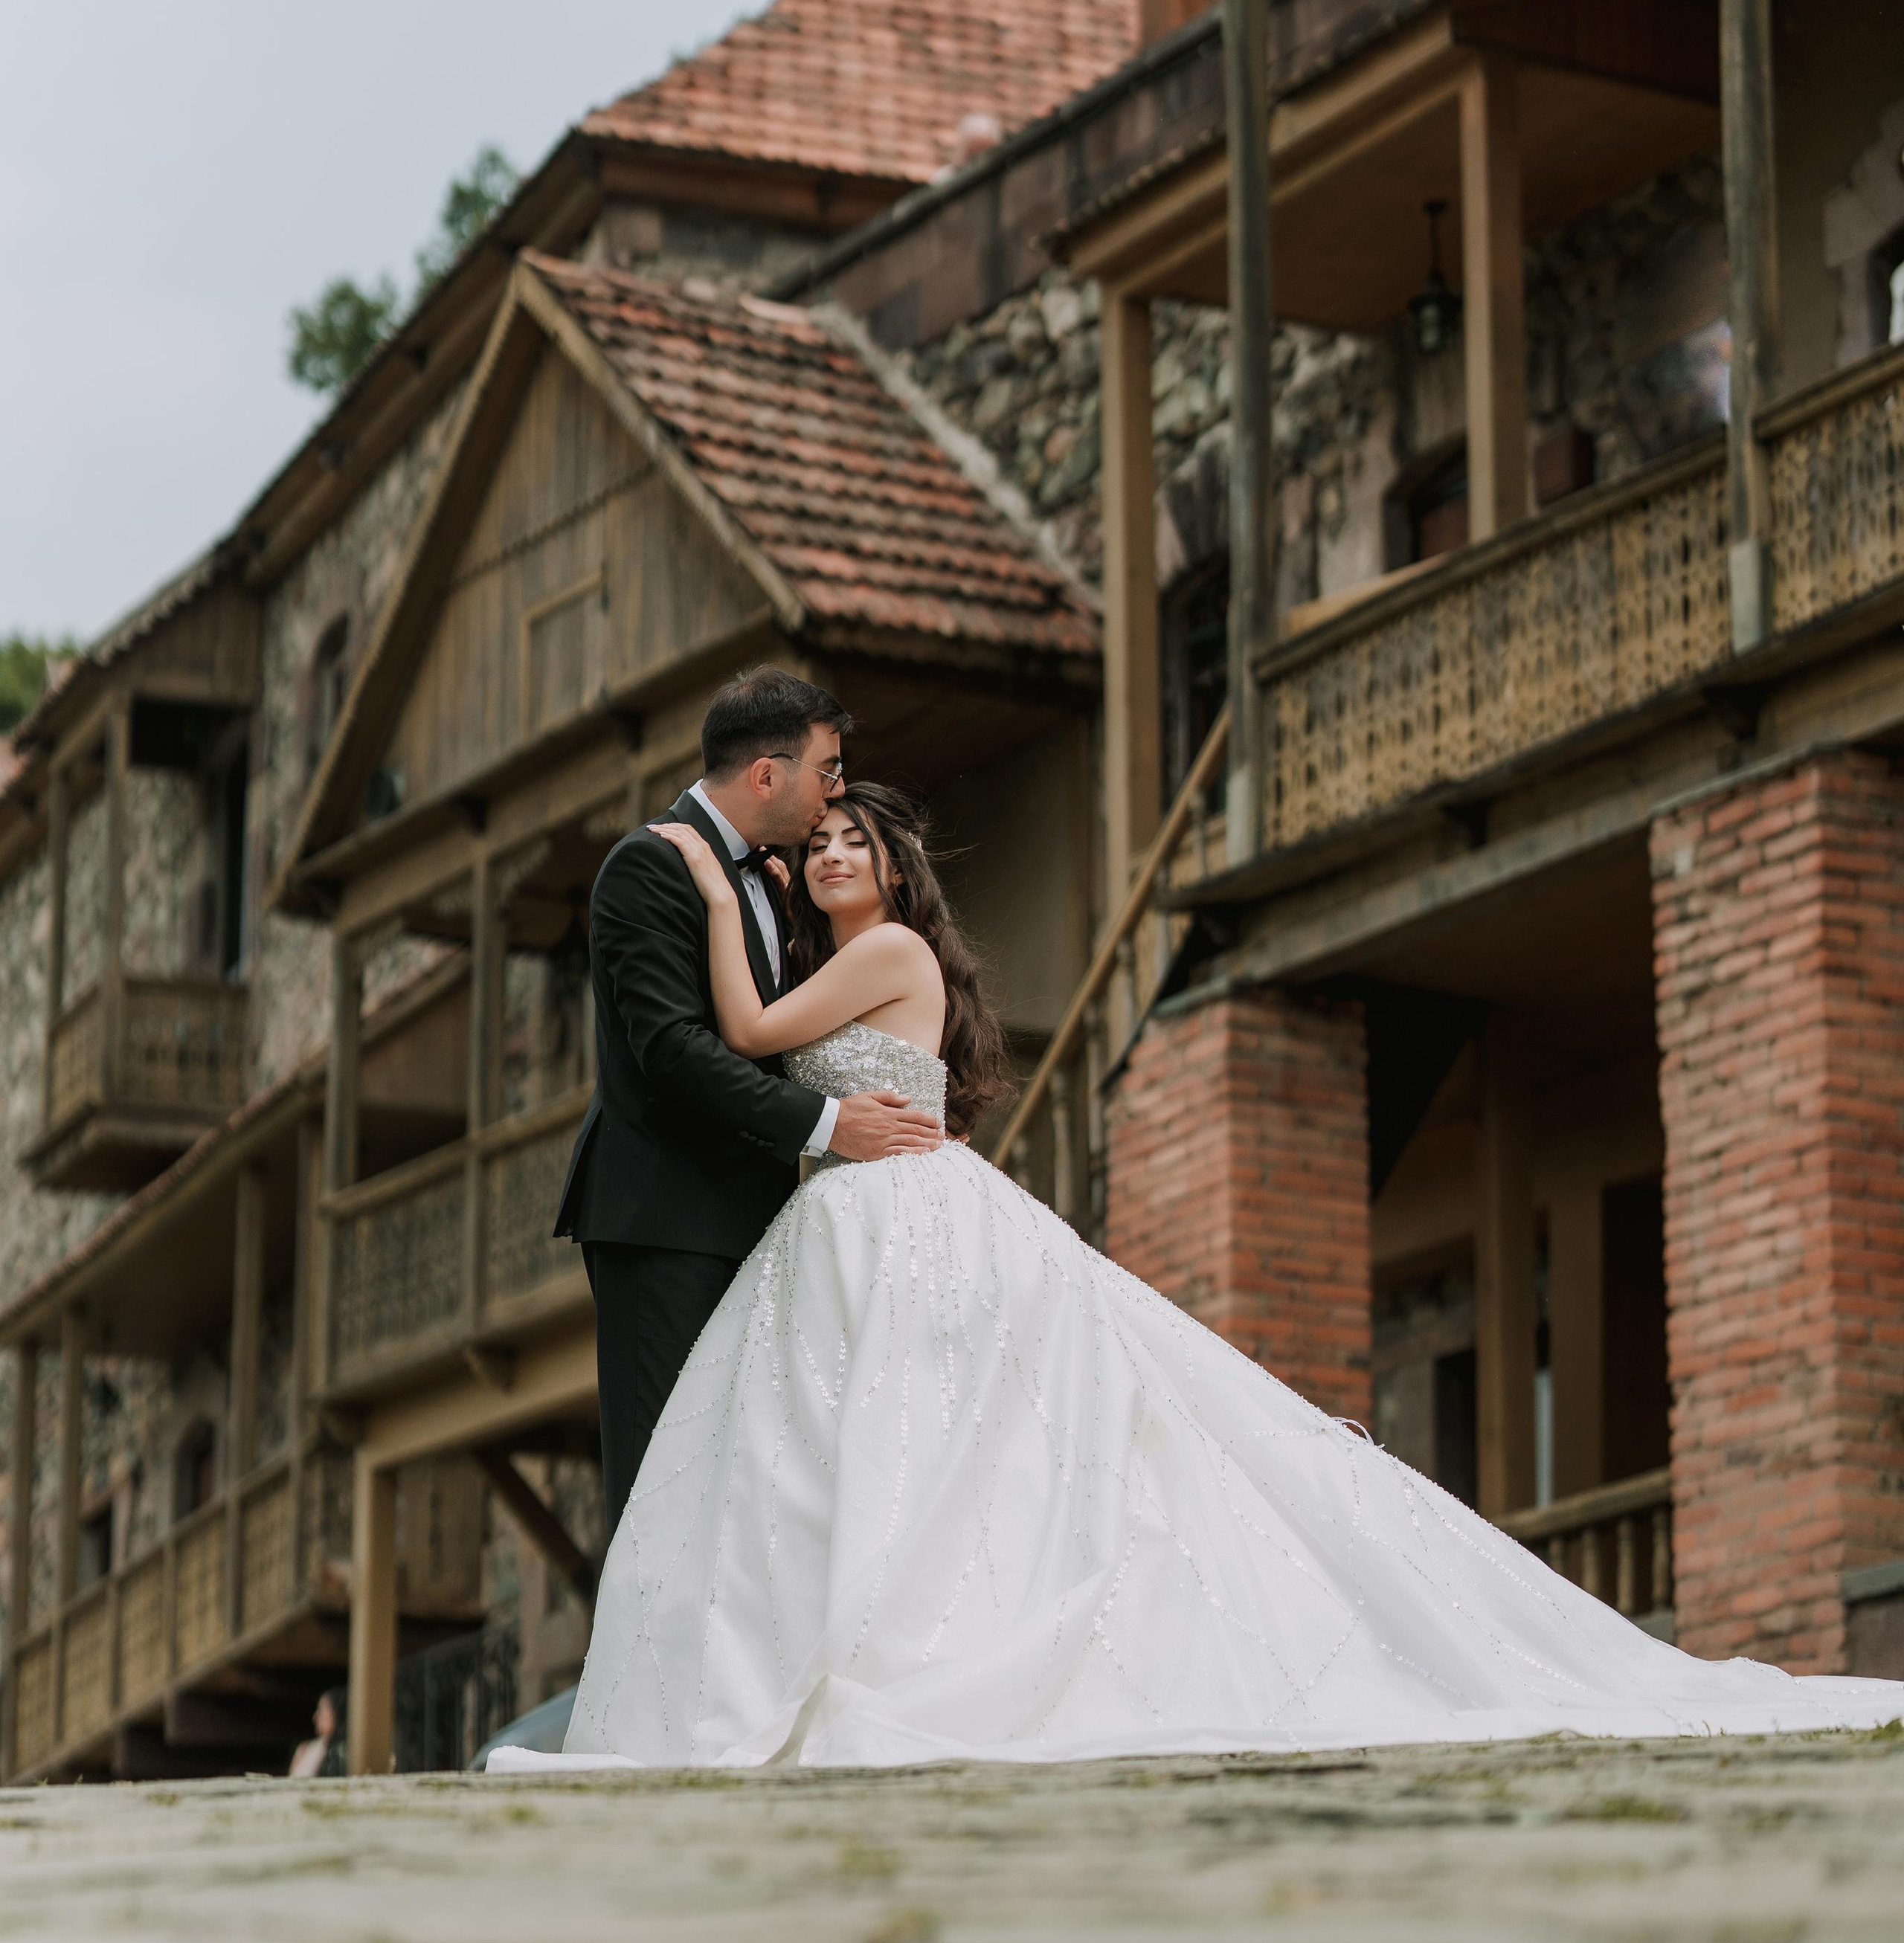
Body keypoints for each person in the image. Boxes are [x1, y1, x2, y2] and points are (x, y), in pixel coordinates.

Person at [500, 784, 1904, 1773]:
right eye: (822, 845)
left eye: (852, 843)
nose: (828, 858)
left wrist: (697, 873)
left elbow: (742, 1026)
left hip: (895, 1220)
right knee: (896, 1454)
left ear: (895, 873)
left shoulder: (885, 948)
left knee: (938, 1443)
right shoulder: (843, 951)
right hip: (851, 1220)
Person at [553, 669, 942, 1537]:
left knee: (749, 1493)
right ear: (768, 775)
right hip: (666, 1219)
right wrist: (835, 1126)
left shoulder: (776, 881)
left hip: (767, 1225)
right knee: (666, 1485)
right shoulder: (649, 866)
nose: (834, 794)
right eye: (826, 771)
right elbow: (672, 1052)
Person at [289, 1687, 347, 1779]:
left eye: (322, 1711)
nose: (315, 1717)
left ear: (337, 1714)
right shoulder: (305, 1749)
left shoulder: (345, 1752)